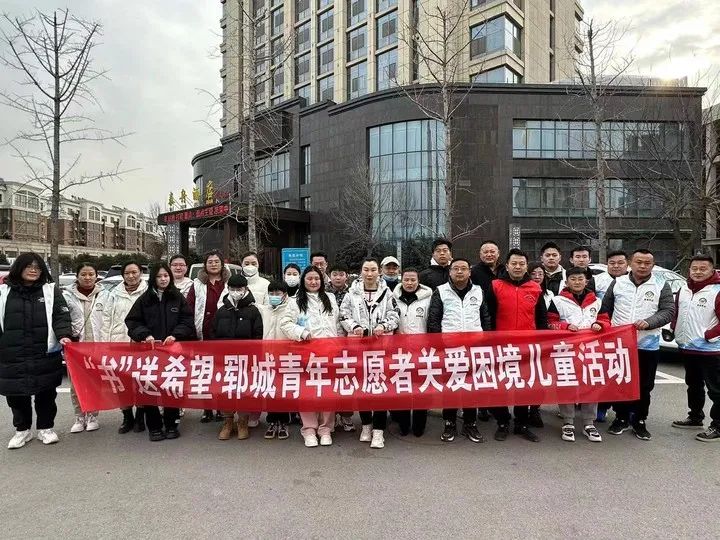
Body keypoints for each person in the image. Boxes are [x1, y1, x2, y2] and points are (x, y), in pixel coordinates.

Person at [601, 248, 675, 441]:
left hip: (647, 345)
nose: (642, 266)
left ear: (653, 265)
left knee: (644, 385)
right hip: (620, 344)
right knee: (621, 382)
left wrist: (649, 322)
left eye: (647, 263)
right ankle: (621, 418)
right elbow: (605, 310)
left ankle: (640, 420)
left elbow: (668, 311)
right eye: (638, 262)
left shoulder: (661, 284)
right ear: (630, 263)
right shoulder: (618, 283)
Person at [0, 253, 72, 449]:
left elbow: (61, 316)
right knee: (16, 395)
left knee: (46, 393)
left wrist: (64, 335)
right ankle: (22, 430)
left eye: (38, 267)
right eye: (29, 266)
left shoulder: (50, 291)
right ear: (19, 268)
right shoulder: (4, 291)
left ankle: (45, 428)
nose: (33, 270)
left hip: (44, 352)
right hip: (12, 353)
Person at [125, 262, 195, 441]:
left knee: (171, 388)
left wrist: (175, 335)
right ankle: (154, 427)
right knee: (150, 389)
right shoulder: (145, 299)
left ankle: (171, 425)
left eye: (166, 276)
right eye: (159, 276)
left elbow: (187, 321)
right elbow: (132, 322)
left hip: (172, 353)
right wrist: (145, 335)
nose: (163, 279)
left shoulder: (178, 297)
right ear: (153, 278)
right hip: (149, 353)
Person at [427, 259, 492, 444]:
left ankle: (470, 423)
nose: (460, 272)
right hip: (450, 348)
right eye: (456, 269)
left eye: (464, 268)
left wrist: (487, 342)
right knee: (451, 387)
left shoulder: (478, 291)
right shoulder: (440, 291)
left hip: (474, 347)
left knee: (471, 386)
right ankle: (449, 423)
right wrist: (438, 347)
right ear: (450, 272)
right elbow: (434, 320)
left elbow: (485, 318)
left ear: (469, 272)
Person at [340, 258, 399, 449]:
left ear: (379, 272)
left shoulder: (387, 293)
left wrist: (384, 326)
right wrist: (354, 326)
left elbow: (394, 315)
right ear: (361, 271)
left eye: (373, 269)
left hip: (381, 347)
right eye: (366, 269)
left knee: (380, 387)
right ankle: (366, 424)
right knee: (362, 387)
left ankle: (379, 430)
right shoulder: (351, 293)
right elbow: (343, 315)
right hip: (358, 347)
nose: (370, 273)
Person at [490, 249, 548, 442]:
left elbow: (541, 319)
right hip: (500, 345)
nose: (517, 267)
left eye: (521, 264)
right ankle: (502, 421)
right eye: (514, 263)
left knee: (524, 386)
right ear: (507, 266)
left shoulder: (535, 288)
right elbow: (488, 315)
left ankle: (521, 424)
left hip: (527, 347)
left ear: (526, 267)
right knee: (500, 386)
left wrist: (543, 344)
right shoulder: (495, 285)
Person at [281, 266, 342, 447]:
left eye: (317, 278)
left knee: (328, 392)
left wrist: (340, 344)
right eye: (309, 279)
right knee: (308, 392)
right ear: (303, 280)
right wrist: (302, 332)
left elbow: (338, 323)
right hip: (307, 353)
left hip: (329, 352)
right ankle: (309, 429)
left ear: (321, 280)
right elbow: (285, 324)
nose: (313, 282)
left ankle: (325, 429)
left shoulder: (330, 298)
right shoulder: (294, 301)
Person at [547, 267, 610, 443]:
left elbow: (606, 320)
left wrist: (600, 325)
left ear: (586, 281)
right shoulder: (557, 301)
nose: (577, 282)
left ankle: (589, 422)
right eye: (573, 279)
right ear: (567, 281)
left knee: (590, 383)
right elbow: (550, 322)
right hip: (566, 349)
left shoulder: (597, 301)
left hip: (591, 349)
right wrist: (565, 327)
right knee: (567, 383)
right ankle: (568, 421)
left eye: (580, 279)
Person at [669, 254, 720, 442]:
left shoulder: (717, 290)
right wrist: (674, 327)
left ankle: (718, 425)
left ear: (712, 269)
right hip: (687, 347)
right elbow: (677, 313)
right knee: (694, 385)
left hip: (711, 350)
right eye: (694, 268)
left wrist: (709, 335)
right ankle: (695, 416)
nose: (698, 272)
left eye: (703, 269)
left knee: (716, 390)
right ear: (689, 270)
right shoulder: (684, 288)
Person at [213, 274, 264, 441]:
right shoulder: (222, 311)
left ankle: (243, 421)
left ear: (245, 289)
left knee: (244, 390)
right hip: (225, 360)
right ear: (228, 289)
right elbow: (214, 334)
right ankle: (227, 422)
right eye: (232, 289)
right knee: (225, 390)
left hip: (245, 360)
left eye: (239, 289)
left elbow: (258, 335)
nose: (236, 292)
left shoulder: (253, 311)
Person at [101, 261, 149, 434]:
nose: (131, 276)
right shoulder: (113, 293)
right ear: (123, 275)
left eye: (134, 272)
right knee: (121, 383)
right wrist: (105, 344)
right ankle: (127, 416)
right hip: (118, 342)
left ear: (140, 273)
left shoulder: (148, 292)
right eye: (127, 273)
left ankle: (141, 416)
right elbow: (106, 319)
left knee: (142, 381)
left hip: (141, 344)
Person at [187, 250, 229, 423]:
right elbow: (189, 306)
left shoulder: (228, 283)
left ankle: (221, 407)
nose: (213, 264)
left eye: (216, 261)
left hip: (223, 333)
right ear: (205, 265)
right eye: (210, 261)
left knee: (221, 372)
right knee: (205, 373)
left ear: (222, 264)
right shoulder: (197, 284)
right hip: (203, 332)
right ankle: (207, 408)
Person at [63, 262, 106, 433]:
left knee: (95, 383)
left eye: (91, 274)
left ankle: (93, 415)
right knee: (76, 385)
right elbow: (61, 319)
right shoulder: (66, 296)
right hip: (75, 348)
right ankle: (79, 416)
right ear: (77, 276)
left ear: (96, 276)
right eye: (83, 274)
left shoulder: (105, 295)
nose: (87, 278)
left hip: (97, 347)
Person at [393, 268, 433, 436]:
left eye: (413, 280)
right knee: (402, 388)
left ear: (418, 281)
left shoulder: (428, 298)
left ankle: (419, 425)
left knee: (421, 388)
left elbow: (432, 322)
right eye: (406, 280)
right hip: (399, 352)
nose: (409, 283)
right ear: (401, 280)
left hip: (421, 352)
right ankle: (403, 424)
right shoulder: (393, 297)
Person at [256, 280, 293, 440]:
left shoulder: (292, 308)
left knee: (283, 390)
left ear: (284, 294)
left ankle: (284, 422)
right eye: (271, 293)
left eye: (278, 293)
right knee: (270, 389)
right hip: (267, 356)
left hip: (286, 356)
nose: (274, 296)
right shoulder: (264, 310)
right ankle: (271, 421)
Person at [325, 263, 354, 432]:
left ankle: (346, 415)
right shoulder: (323, 293)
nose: (338, 277)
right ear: (330, 276)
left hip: (348, 341)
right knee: (330, 380)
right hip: (328, 341)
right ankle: (331, 416)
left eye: (341, 274)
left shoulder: (353, 292)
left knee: (346, 378)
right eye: (335, 274)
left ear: (346, 276)